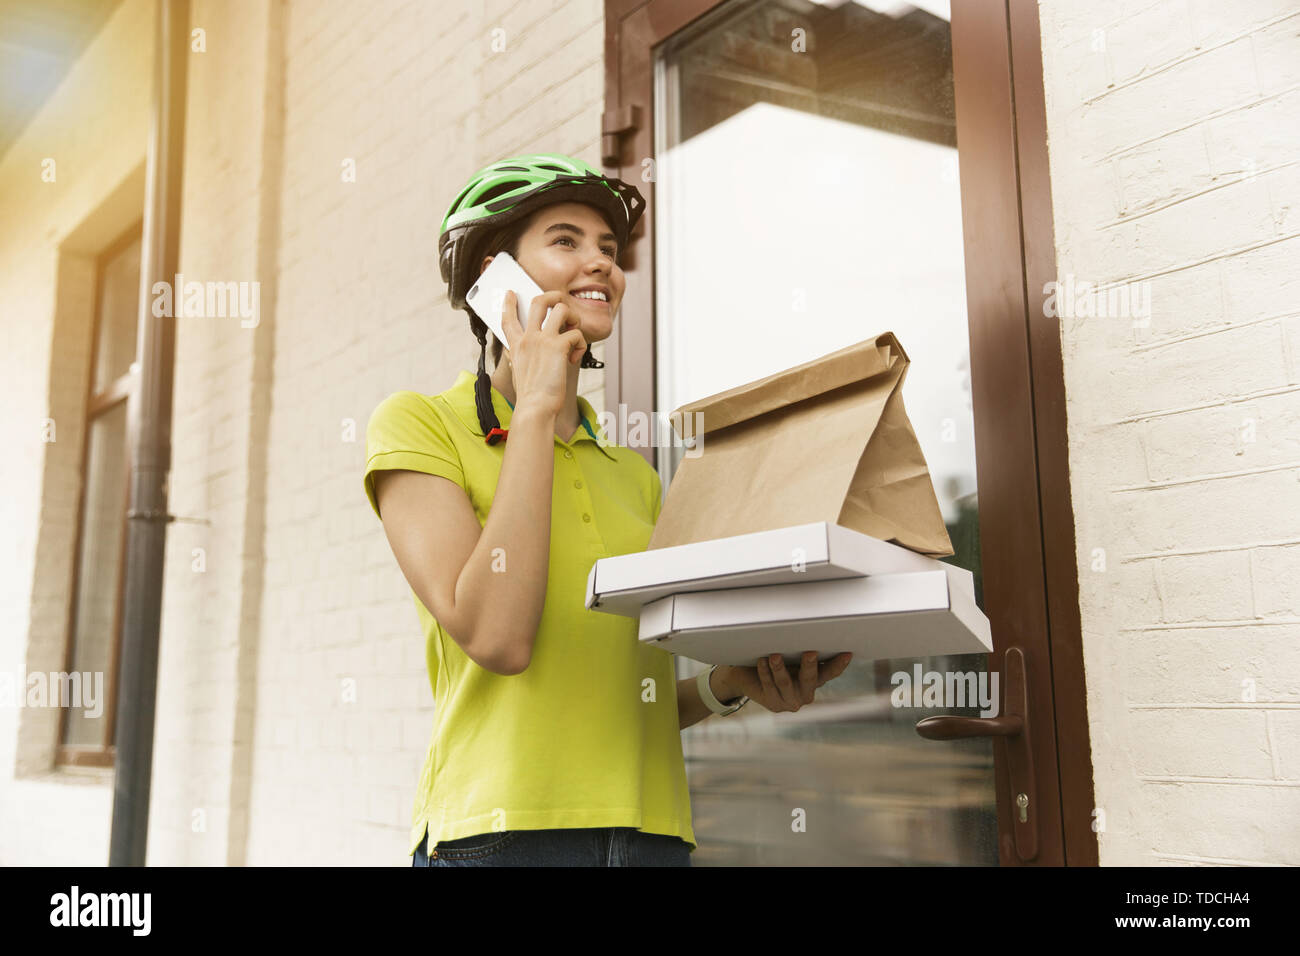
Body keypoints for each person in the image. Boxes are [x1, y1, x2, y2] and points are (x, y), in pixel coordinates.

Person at [363, 153, 853, 867]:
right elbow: (499, 640)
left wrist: (727, 686)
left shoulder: (635, 475)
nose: (601, 265)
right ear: (490, 278)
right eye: (566, 241)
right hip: (500, 836)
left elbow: (630, 693)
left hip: (652, 837)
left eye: (609, 250)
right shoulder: (419, 427)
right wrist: (534, 407)